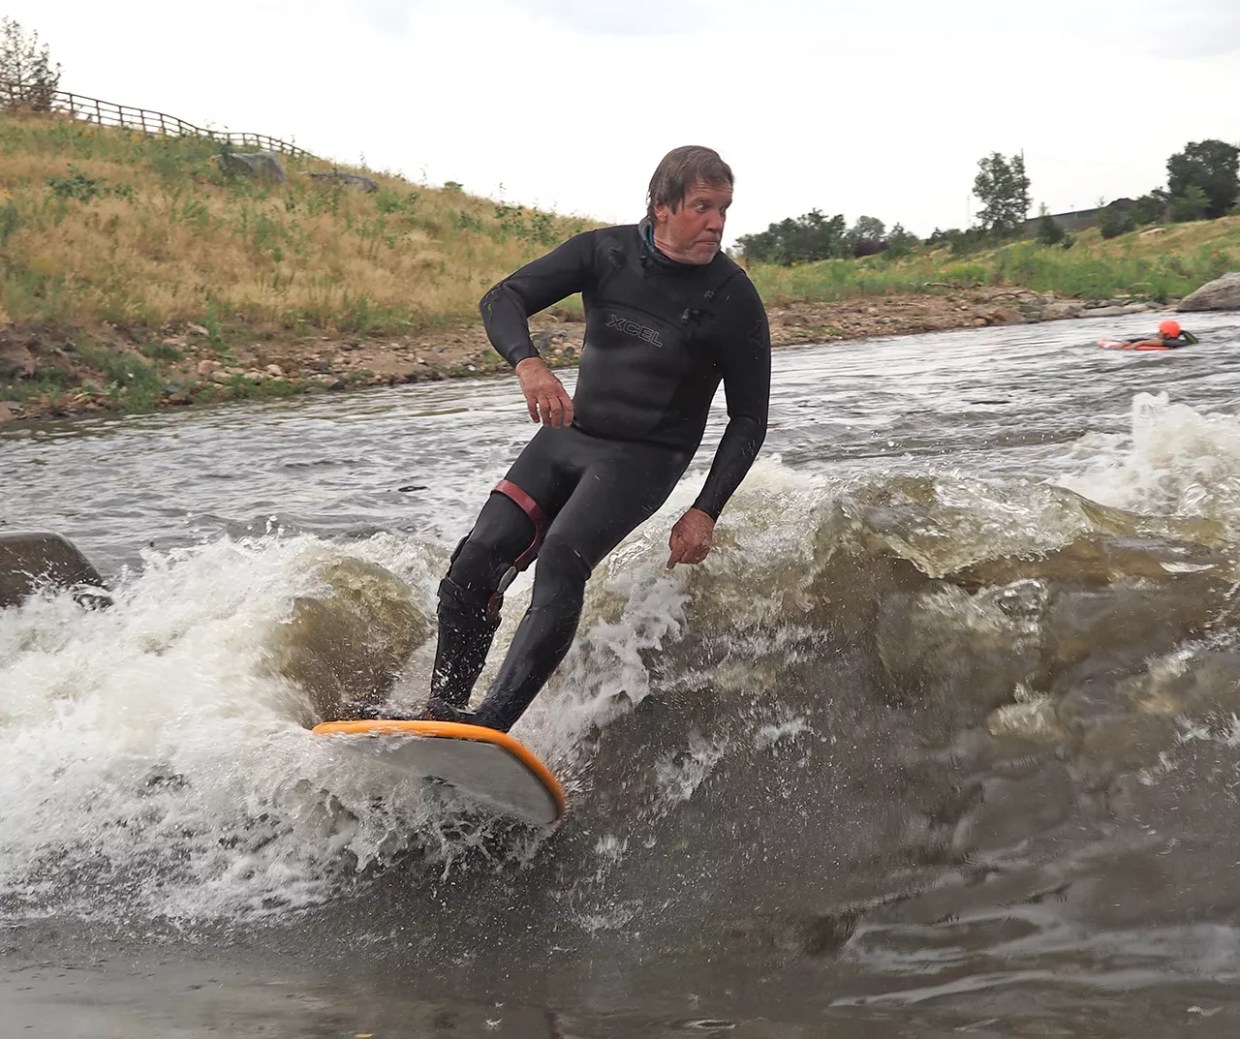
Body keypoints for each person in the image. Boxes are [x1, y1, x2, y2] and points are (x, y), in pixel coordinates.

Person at [417, 145, 771, 733]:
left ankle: (490, 728)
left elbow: (749, 419)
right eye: (703, 207)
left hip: (644, 459)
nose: (717, 223)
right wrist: (528, 364)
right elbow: (501, 298)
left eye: (724, 209)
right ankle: (442, 714)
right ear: (661, 206)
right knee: (475, 559)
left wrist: (705, 509)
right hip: (569, 436)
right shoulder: (604, 252)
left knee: (561, 558)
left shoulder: (732, 297)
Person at [1125, 318, 1199, 348]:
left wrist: (1141, 343)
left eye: (1160, 331)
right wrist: (1127, 341)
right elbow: (1145, 339)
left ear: (1167, 335)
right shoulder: (1180, 342)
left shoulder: (1181, 343)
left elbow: (1165, 343)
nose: (1157, 333)